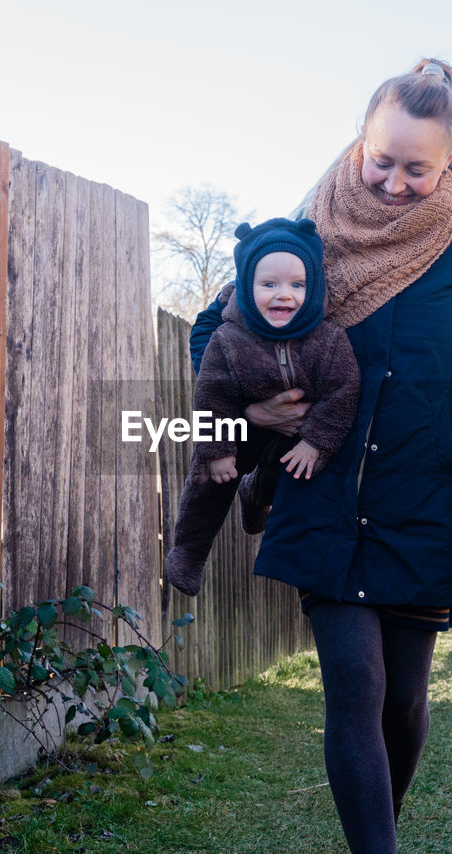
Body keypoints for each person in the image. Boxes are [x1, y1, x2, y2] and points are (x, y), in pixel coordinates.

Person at [189, 58, 452, 852]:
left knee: (403, 700)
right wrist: (257, 408)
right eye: (384, 160)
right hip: (323, 493)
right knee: (355, 686)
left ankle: (380, 829)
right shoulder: (305, 237)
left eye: (419, 167)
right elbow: (215, 334)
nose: (396, 182)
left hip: (422, 500)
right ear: (359, 142)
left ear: (450, 164)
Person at [165, 217, 360, 598]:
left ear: (314, 286)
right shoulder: (229, 339)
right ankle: (189, 550)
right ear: (244, 287)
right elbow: (212, 395)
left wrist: (316, 442)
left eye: (297, 285)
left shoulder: (328, 340)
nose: (283, 294)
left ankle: (257, 495)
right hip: (242, 427)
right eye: (269, 284)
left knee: (293, 469)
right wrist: (218, 450)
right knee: (209, 478)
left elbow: (344, 391)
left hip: (297, 436)